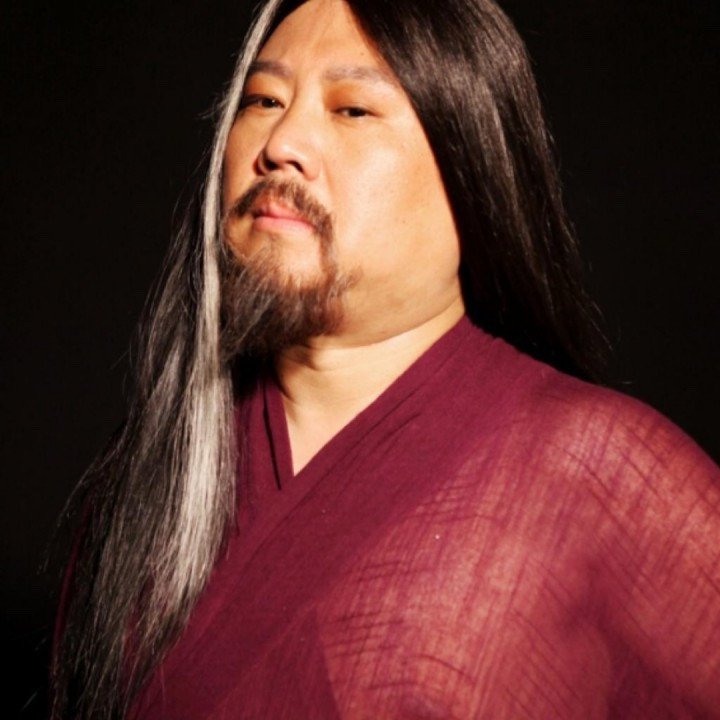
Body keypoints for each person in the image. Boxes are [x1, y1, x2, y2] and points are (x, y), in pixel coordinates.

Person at [52, 0, 720, 717]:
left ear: (474, 169)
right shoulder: (145, 479)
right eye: (264, 100)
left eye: (352, 110)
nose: (281, 143)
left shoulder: (598, 471)